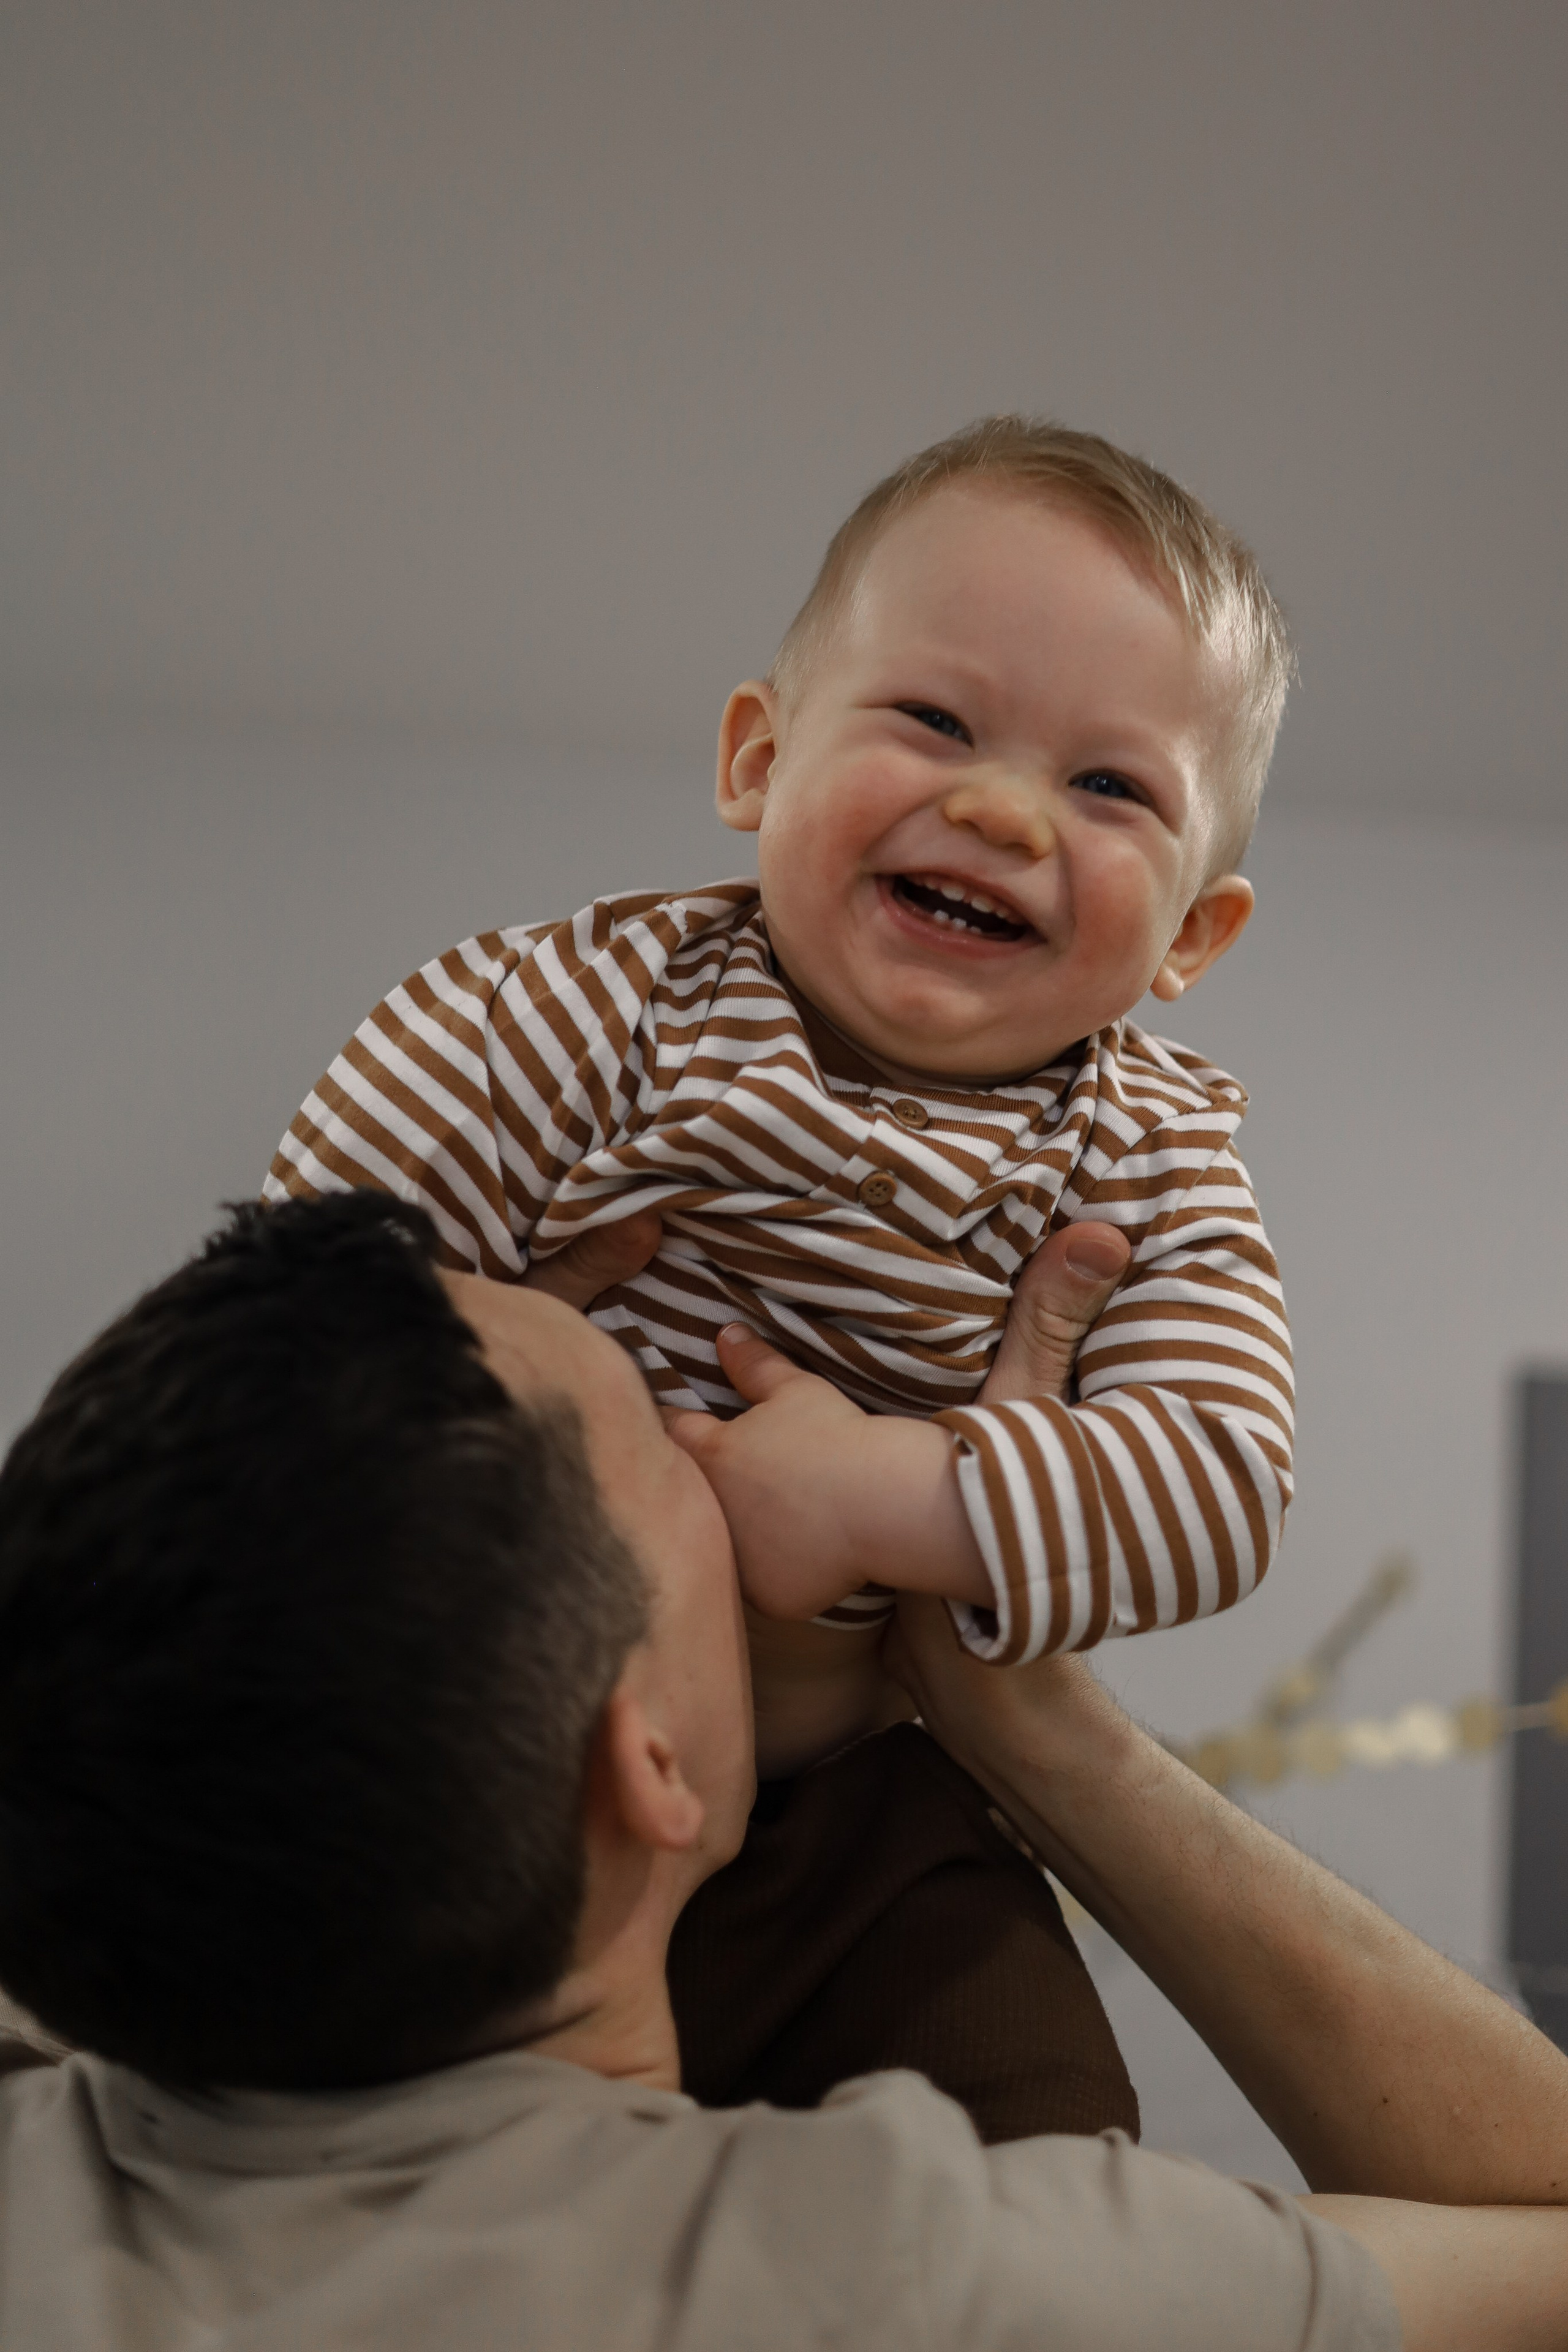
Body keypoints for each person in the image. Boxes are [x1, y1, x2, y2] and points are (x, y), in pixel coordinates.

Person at [0, 1194, 1566, 2351]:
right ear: (649, 1757)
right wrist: (1033, 1722)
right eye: (649, 1419)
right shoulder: (911, 2280)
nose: (712, 1445)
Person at [263, 415, 1295, 1793]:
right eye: (936, 720)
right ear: (757, 758)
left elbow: (1217, 1484)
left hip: (846, 1810)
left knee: (994, 2005)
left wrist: (878, 1501)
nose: (1003, 812)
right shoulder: (569, 1012)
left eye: (1106, 786)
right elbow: (272, 1326)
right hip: (459, 1736)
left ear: (1190, 937)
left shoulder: (1151, 1164)